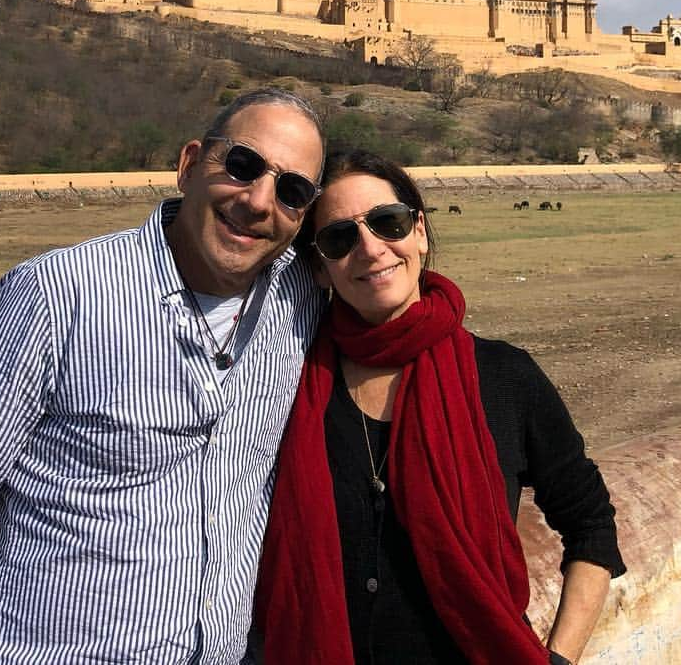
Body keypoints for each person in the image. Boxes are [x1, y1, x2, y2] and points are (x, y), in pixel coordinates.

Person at [0, 88, 326, 665]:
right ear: (190, 165)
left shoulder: (299, 297)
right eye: (243, 165)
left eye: (293, 191)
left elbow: (391, 287)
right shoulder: (55, 294)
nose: (258, 201)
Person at [254, 150, 625, 665]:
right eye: (340, 238)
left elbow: (591, 523)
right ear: (319, 268)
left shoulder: (503, 376)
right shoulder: (286, 382)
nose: (371, 249)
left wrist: (558, 658)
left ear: (420, 233)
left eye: (388, 223)